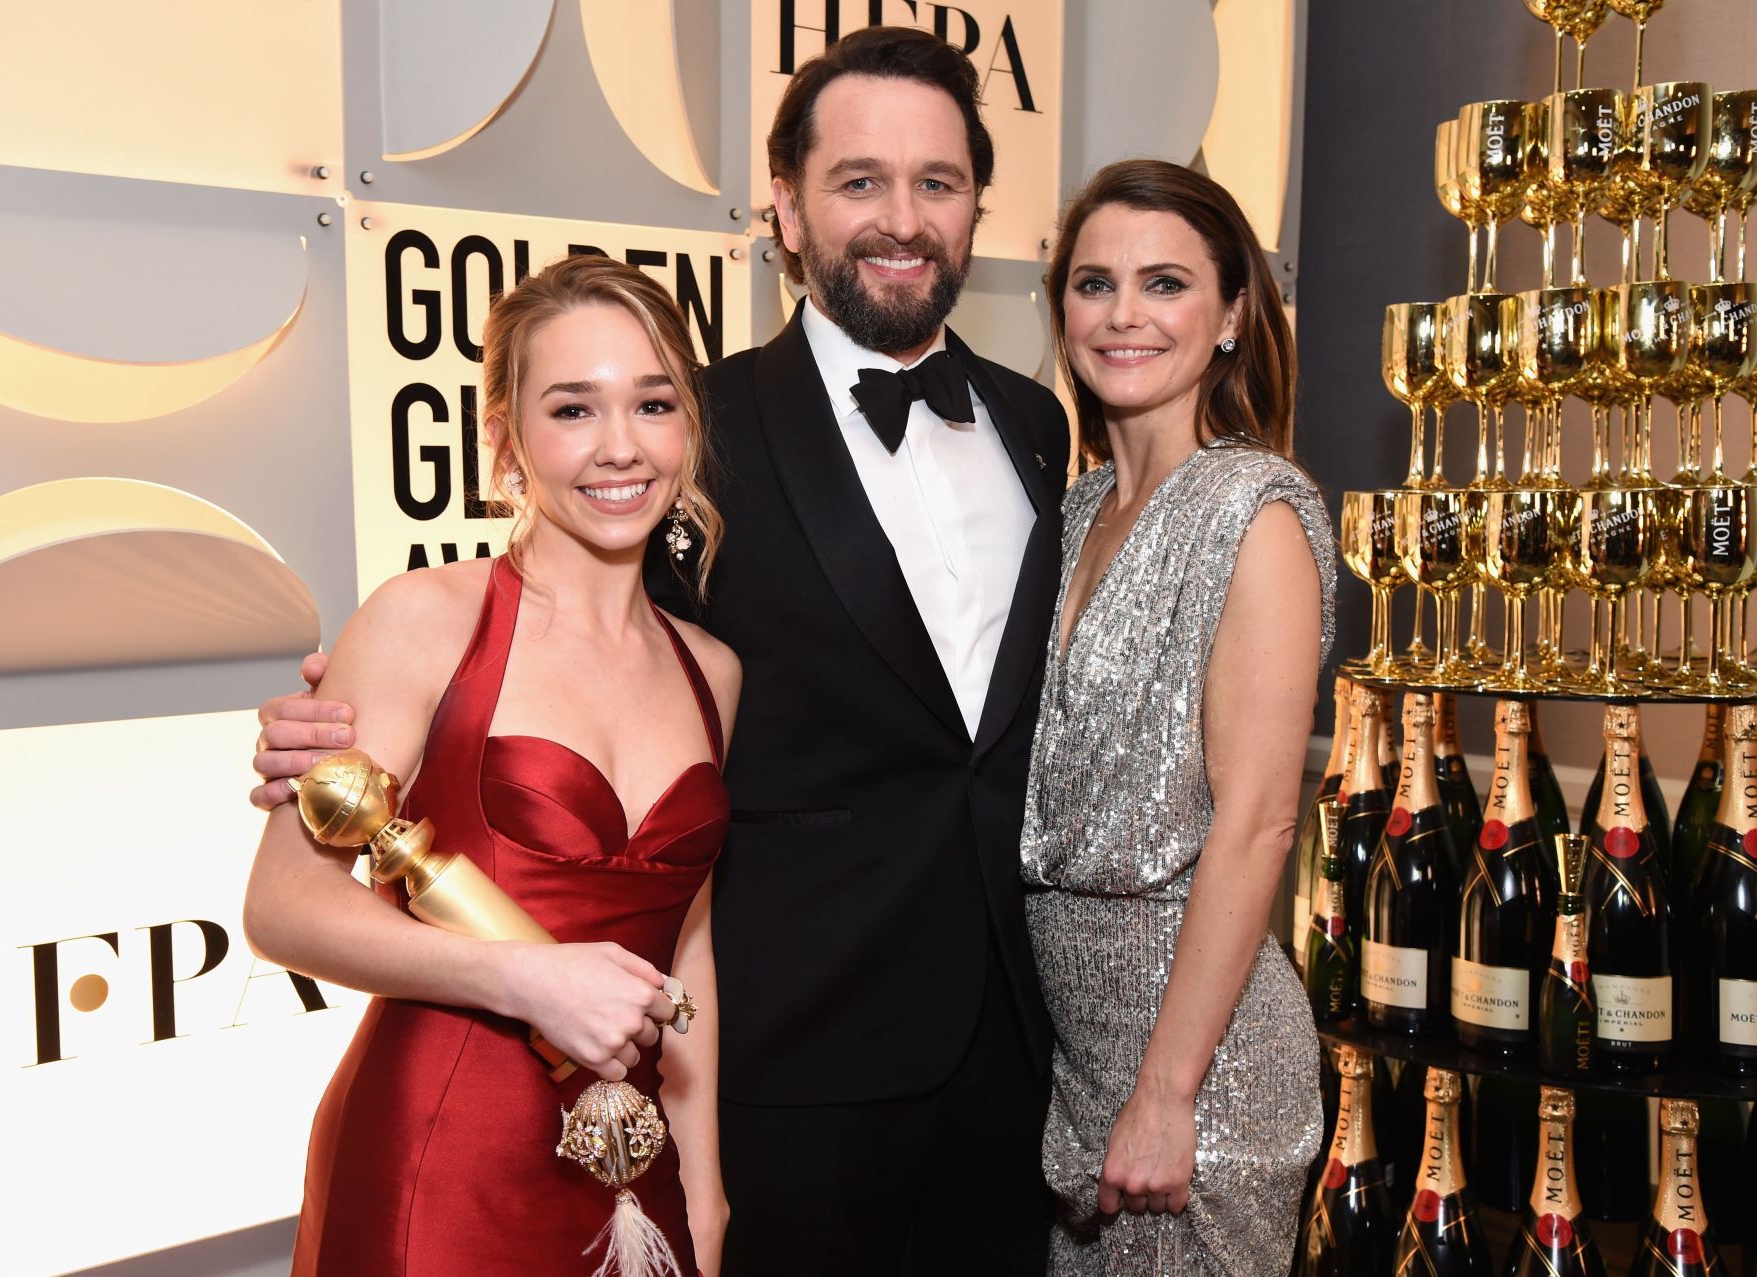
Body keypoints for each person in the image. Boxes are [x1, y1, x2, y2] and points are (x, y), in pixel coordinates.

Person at [252, 26, 1067, 1274]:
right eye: (859, 181)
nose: (902, 218)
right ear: (786, 209)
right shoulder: (715, 425)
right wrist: (319, 738)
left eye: (938, 182)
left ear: (974, 206)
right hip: (787, 1076)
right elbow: (485, 681)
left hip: (1007, 1055)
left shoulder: (1034, 421)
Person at [241, 254, 740, 1276]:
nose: (620, 447)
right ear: (506, 439)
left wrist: (704, 1177)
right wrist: (524, 977)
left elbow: (685, 945)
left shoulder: (713, 669)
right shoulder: (427, 618)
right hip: (441, 1146)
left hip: (630, 1159)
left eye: (653, 402)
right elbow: (282, 906)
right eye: (572, 408)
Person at [1021, 159, 1333, 1275]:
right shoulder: (1074, 510)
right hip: (1076, 1050)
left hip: (1203, 1067)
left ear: (1234, 313)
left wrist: (1168, 1090)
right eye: (1094, 283)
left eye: (1164, 283)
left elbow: (1257, 820)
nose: (1124, 315)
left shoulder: (1255, 511)